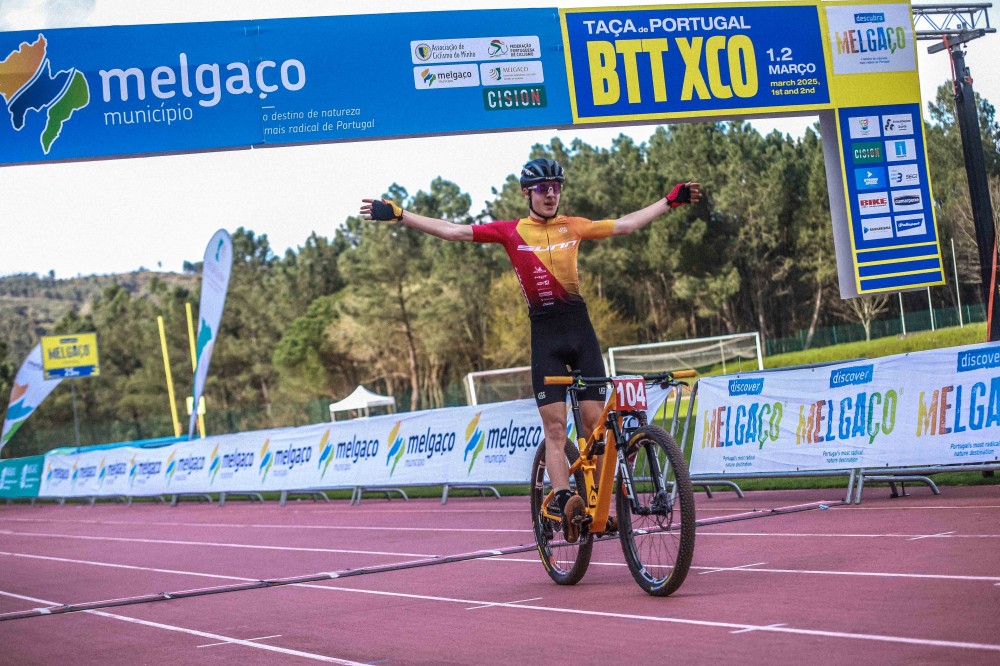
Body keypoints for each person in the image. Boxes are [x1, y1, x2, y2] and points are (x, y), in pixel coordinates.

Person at [361, 158, 700, 542]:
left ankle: (603, 505)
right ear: (528, 193)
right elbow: (453, 231)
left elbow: (625, 224)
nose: (551, 193)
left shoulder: (574, 225)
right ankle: (561, 498)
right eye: (542, 188)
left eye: (556, 186)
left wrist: (669, 202)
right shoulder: (511, 232)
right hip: (546, 340)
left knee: (595, 427)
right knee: (556, 429)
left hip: (581, 333)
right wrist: (401, 214)